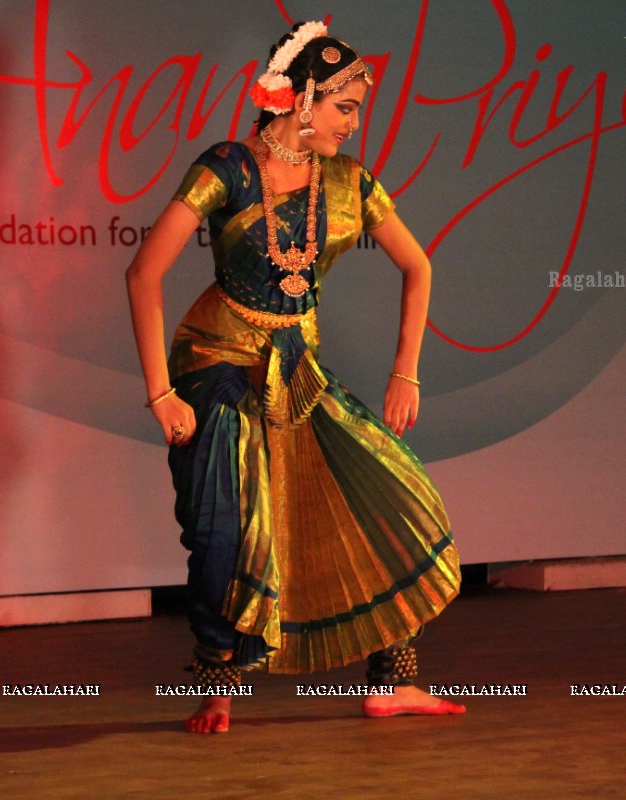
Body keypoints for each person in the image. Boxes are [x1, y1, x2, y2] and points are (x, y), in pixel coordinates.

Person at [125, 21, 463, 734]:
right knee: (231, 523)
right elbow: (143, 271)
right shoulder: (227, 168)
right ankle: (219, 684)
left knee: (388, 498)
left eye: (357, 110)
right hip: (218, 365)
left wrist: (408, 373)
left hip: (297, 368)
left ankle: (392, 681)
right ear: (302, 101)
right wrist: (160, 393)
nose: (355, 124)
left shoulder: (347, 184)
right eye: (346, 108)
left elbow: (419, 265)